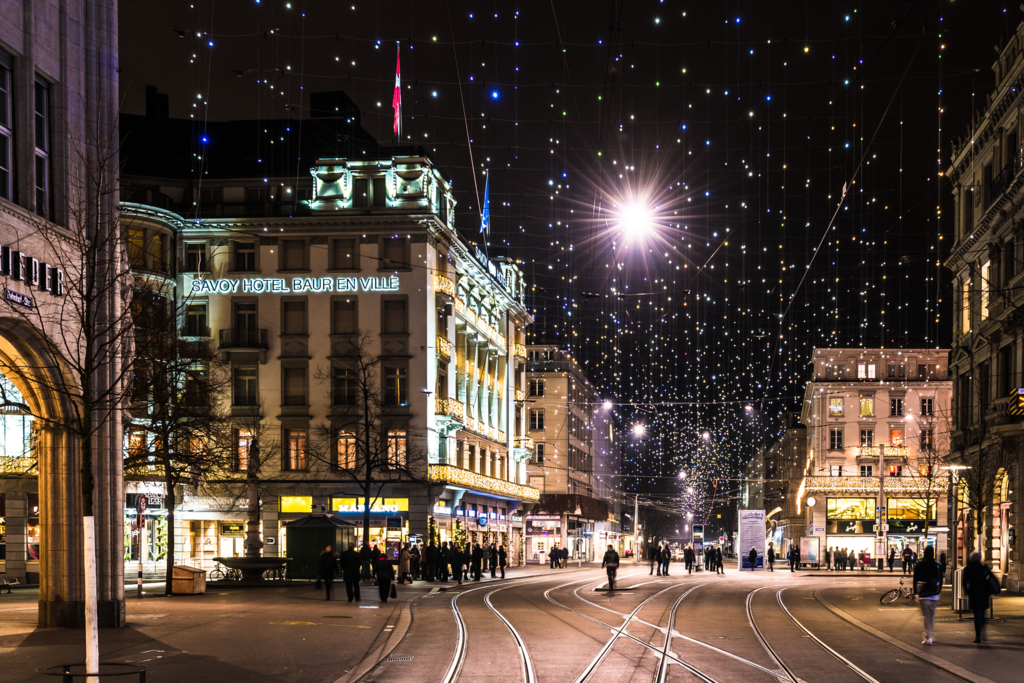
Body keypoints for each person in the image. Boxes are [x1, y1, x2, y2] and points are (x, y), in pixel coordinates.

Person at [964, 552, 997, 644]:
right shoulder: (984, 568)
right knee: (983, 614)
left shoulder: (968, 569)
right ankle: (983, 632)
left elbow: (964, 582)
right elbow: (992, 578)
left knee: (977, 615)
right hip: (984, 593)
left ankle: (978, 636)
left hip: (974, 594)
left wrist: (968, 592)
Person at [913, 546, 942, 645]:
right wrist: (939, 591)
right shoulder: (937, 566)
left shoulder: (919, 565)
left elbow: (915, 579)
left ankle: (928, 637)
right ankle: (930, 634)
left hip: (923, 593)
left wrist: (915, 592)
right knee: (931, 615)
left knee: (926, 615)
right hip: (934, 594)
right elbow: (940, 580)